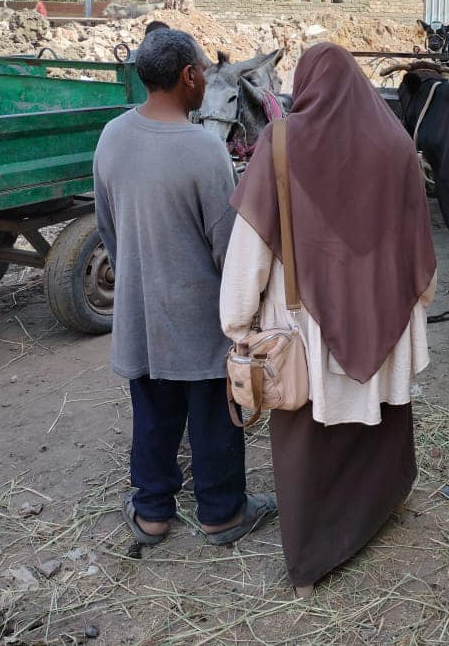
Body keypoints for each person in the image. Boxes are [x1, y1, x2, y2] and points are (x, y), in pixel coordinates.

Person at [220, 42, 436, 596]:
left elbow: (251, 246)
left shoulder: (282, 142)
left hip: (307, 322)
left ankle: (312, 558)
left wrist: (238, 323)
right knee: (384, 419)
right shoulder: (395, 143)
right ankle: (379, 508)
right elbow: (419, 238)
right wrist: (416, 300)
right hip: (384, 307)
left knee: (308, 437)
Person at [93, 29, 277, 546]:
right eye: (201, 70)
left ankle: (152, 513)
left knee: (151, 412)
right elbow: (227, 245)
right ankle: (221, 513)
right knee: (215, 416)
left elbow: (108, 227)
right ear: (189, 77)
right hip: (198, 317)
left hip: (138, 311)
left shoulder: (111, 136)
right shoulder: (203, 149)